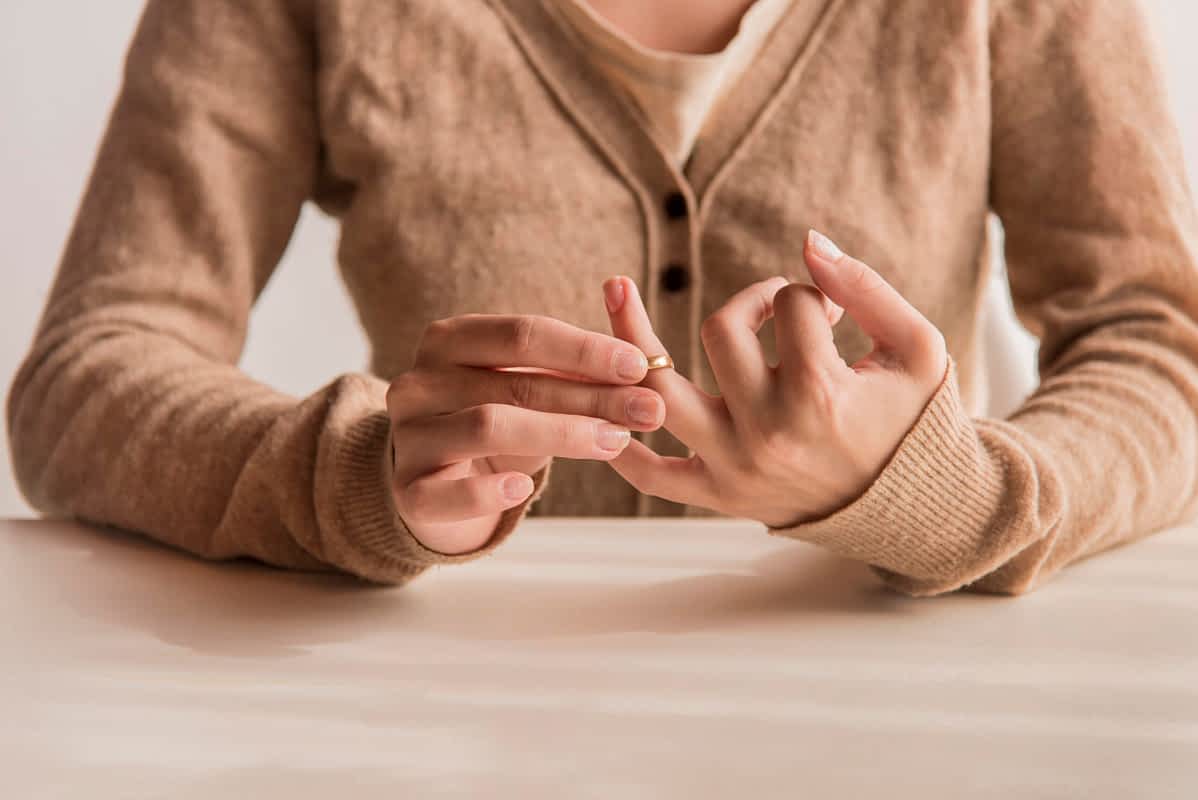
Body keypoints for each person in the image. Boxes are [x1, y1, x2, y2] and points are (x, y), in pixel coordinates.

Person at [7, 0, 1197, 596]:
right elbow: (89, 366)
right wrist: (346, 478)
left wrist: (952, 497)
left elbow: (1160, 346)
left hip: (900, 729)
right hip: (442, 739)